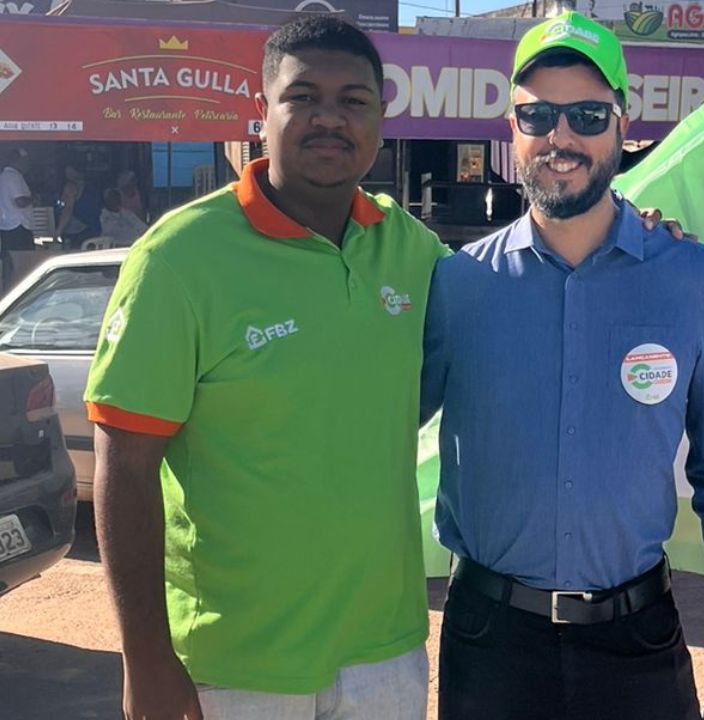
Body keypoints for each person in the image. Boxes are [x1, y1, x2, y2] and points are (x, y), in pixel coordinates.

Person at [84, 17, 445, 720]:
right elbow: (123, 470)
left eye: (353, 101)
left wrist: (636, 224)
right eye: (303, 96)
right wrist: (146, 660)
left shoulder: (412, 251)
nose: (329, 118)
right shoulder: (178, 261)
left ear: (380, 118)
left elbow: (527, 290)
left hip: (386, 657)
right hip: (233, 667)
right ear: (262, 114)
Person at [420, 12, 704, 720]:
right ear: (509, 127)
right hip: (492, 643)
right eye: (538, 114)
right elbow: (376, 428)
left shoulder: (694, 278)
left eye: (586, 114)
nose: (561, 137)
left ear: (623, 125)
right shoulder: (455, 286)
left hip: (636, 641)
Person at [0, 147, 35, 290]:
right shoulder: (13, 177)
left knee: (10, 263)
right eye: (26, 161)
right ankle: (19, 290)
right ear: (18, 161)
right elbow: (20, 201)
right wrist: (34, 199)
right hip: (18, 226)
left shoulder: (3, 176)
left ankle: (10, 290)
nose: (27, 165)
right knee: (21, 263)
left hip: (8, 225)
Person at [56, 161, 102, 249]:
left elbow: (68, 210)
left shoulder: (71, 187)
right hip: (95, 230)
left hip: (77, 233)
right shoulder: (91, 187)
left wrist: (58, 231)